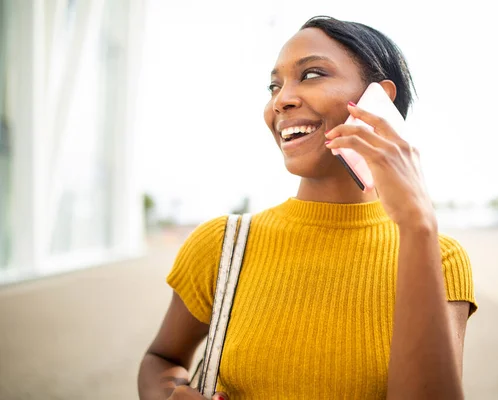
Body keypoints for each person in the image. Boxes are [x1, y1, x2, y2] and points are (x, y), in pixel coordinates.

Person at [138, 15, 477, 400]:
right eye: (274, 85)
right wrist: (167, 395)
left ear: (377, 99)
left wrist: (418, 226)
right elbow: (161, 357)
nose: (281, 100)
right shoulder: (222, 243)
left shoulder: (441, 257)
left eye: (312, 74)